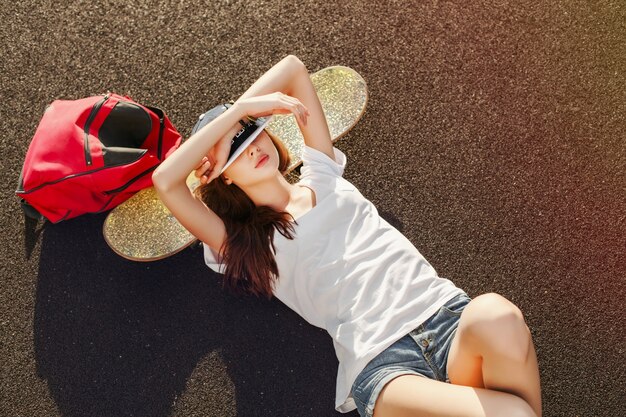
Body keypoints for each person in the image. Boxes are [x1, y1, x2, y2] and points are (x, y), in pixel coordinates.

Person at [152, 55, 542, 417]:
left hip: (447, 320)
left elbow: (292, 69)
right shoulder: (245, 244)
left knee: (498, 314)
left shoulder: (322, 174)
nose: (252, 146)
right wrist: (236, 115)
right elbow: (166, 181)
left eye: (253, 133)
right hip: (386, 363)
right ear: (223, 176)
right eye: (235, 150)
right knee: (517, 413)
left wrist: (241, 114)